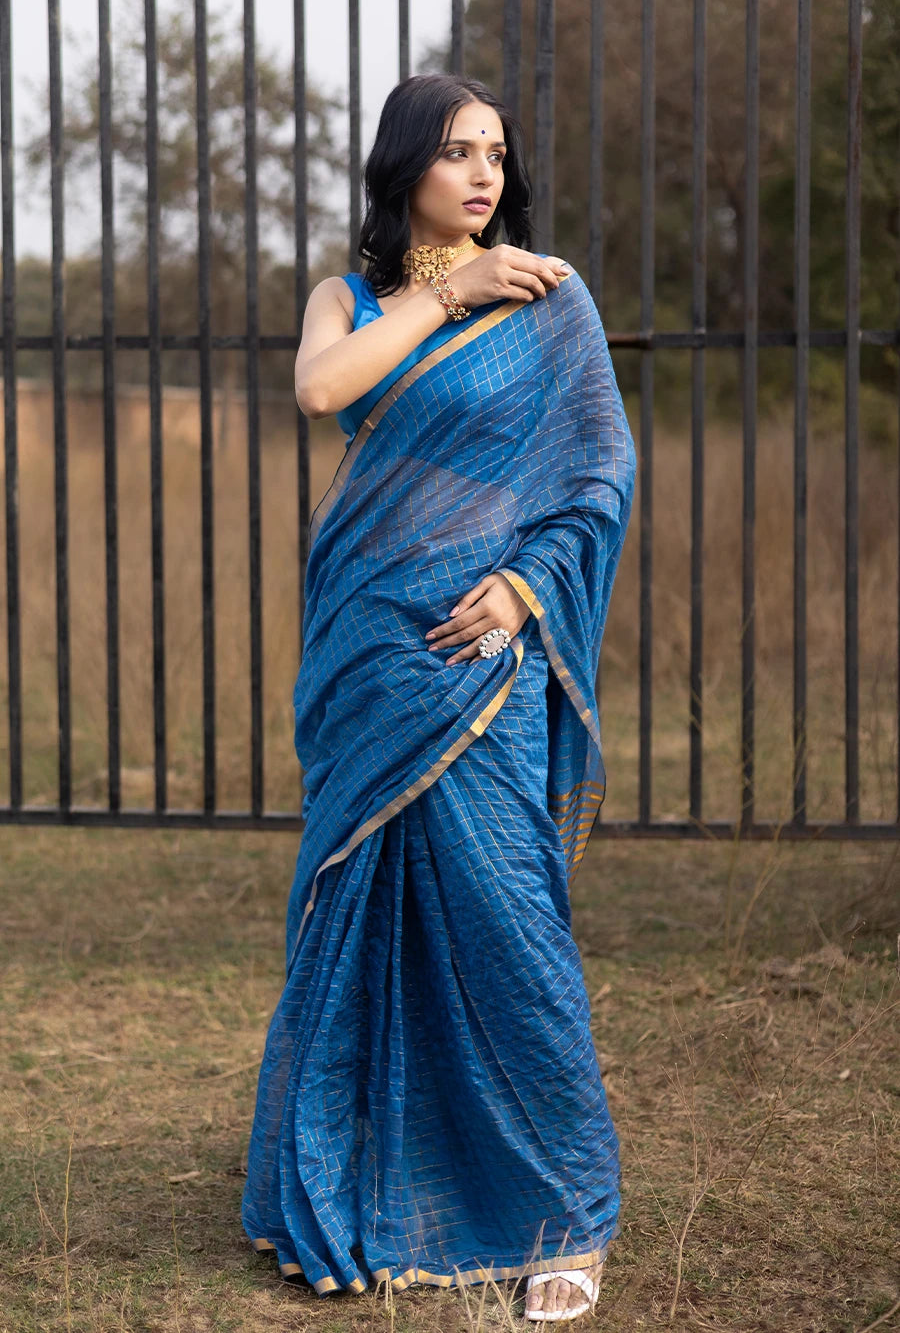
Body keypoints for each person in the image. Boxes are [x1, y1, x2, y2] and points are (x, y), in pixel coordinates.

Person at [241, 73, 636, 1324]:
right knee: (358, 904)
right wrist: (442, 292)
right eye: (459, 152)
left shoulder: (550, 300)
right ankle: (360, 1180)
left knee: (508, 912)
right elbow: (321, 390)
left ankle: (566, 1212)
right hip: (367, 648)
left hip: (484, 658)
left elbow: (598, 468)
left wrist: (527, 589)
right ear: (405, 165)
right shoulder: (349, 298)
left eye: (498, 155)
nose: (484, 175)